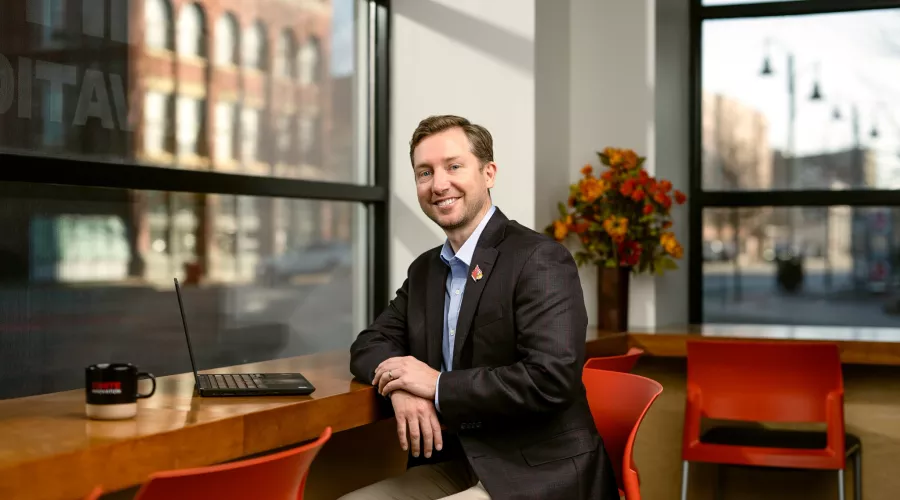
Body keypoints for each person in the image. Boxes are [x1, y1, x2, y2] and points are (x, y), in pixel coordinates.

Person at [341, 115, 618, 500]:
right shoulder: (426, 270)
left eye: (454, 166)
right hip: (458, 463)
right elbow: (370, 344)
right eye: (425, 173)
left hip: (538, 472)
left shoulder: (539, 258)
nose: (439, 184)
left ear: (488, 173)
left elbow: (550, 378)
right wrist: (402, 388)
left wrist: (436, 385)